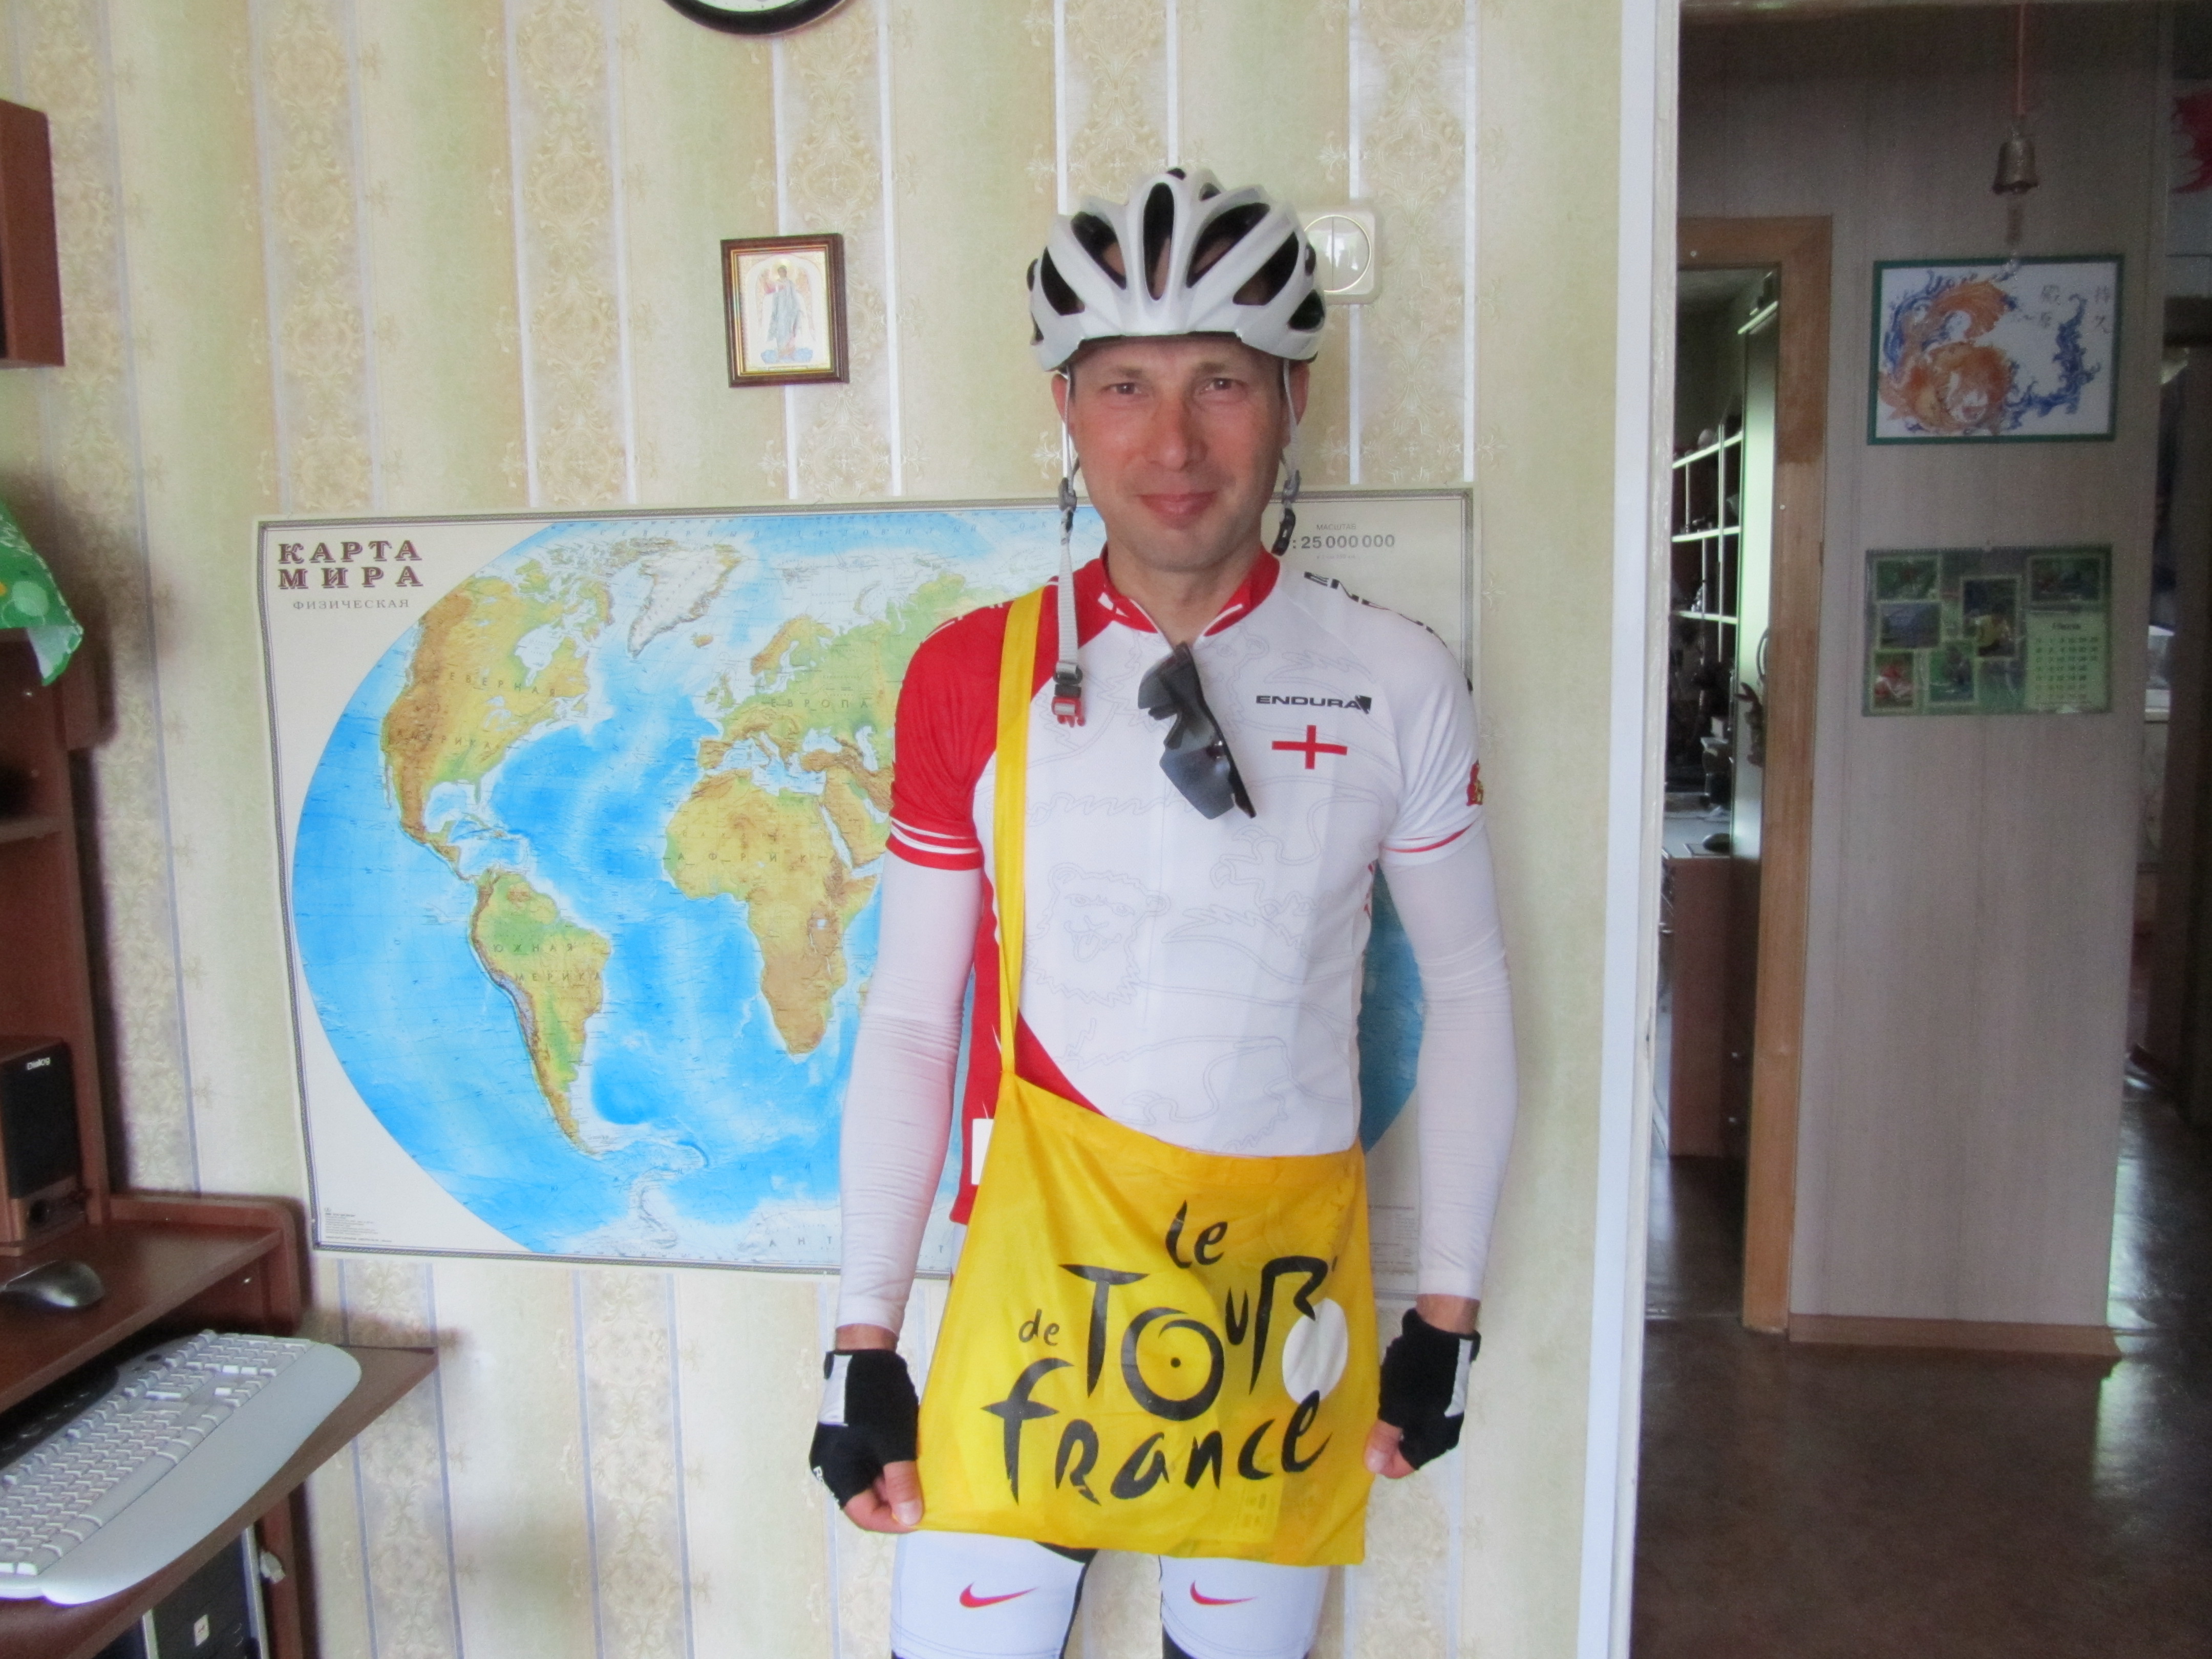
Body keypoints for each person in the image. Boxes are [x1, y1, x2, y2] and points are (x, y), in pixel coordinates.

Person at [811, 168, 1518, 1659]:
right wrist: (861, 1339)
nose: (1174, 443)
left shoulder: (1398, 679)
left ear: (1295, 397)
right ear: (1067, 409)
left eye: (1223, 384)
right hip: (1037, 1287)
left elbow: (1468, 991)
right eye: (1125, 385)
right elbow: (915, 1014)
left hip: (1276, 1304)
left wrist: (1447, 1315)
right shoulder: (972, 674)